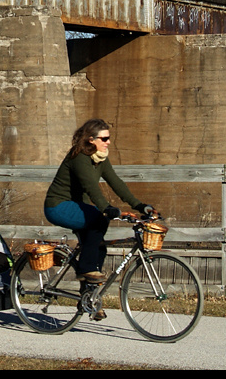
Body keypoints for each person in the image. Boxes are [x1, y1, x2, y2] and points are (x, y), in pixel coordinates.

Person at [43, 118, 155, 284]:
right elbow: (91, 186)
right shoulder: (79, 157)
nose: (108, 142)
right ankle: (86, 269)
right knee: (99, 220)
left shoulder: (100, 158)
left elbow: (116, 183)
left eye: (108, 138)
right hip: (59, 207)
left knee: (99, 248)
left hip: (79, 207)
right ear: (91, 139)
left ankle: (89, 294)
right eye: (104, 139)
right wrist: (106, 208)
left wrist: (139, 205)